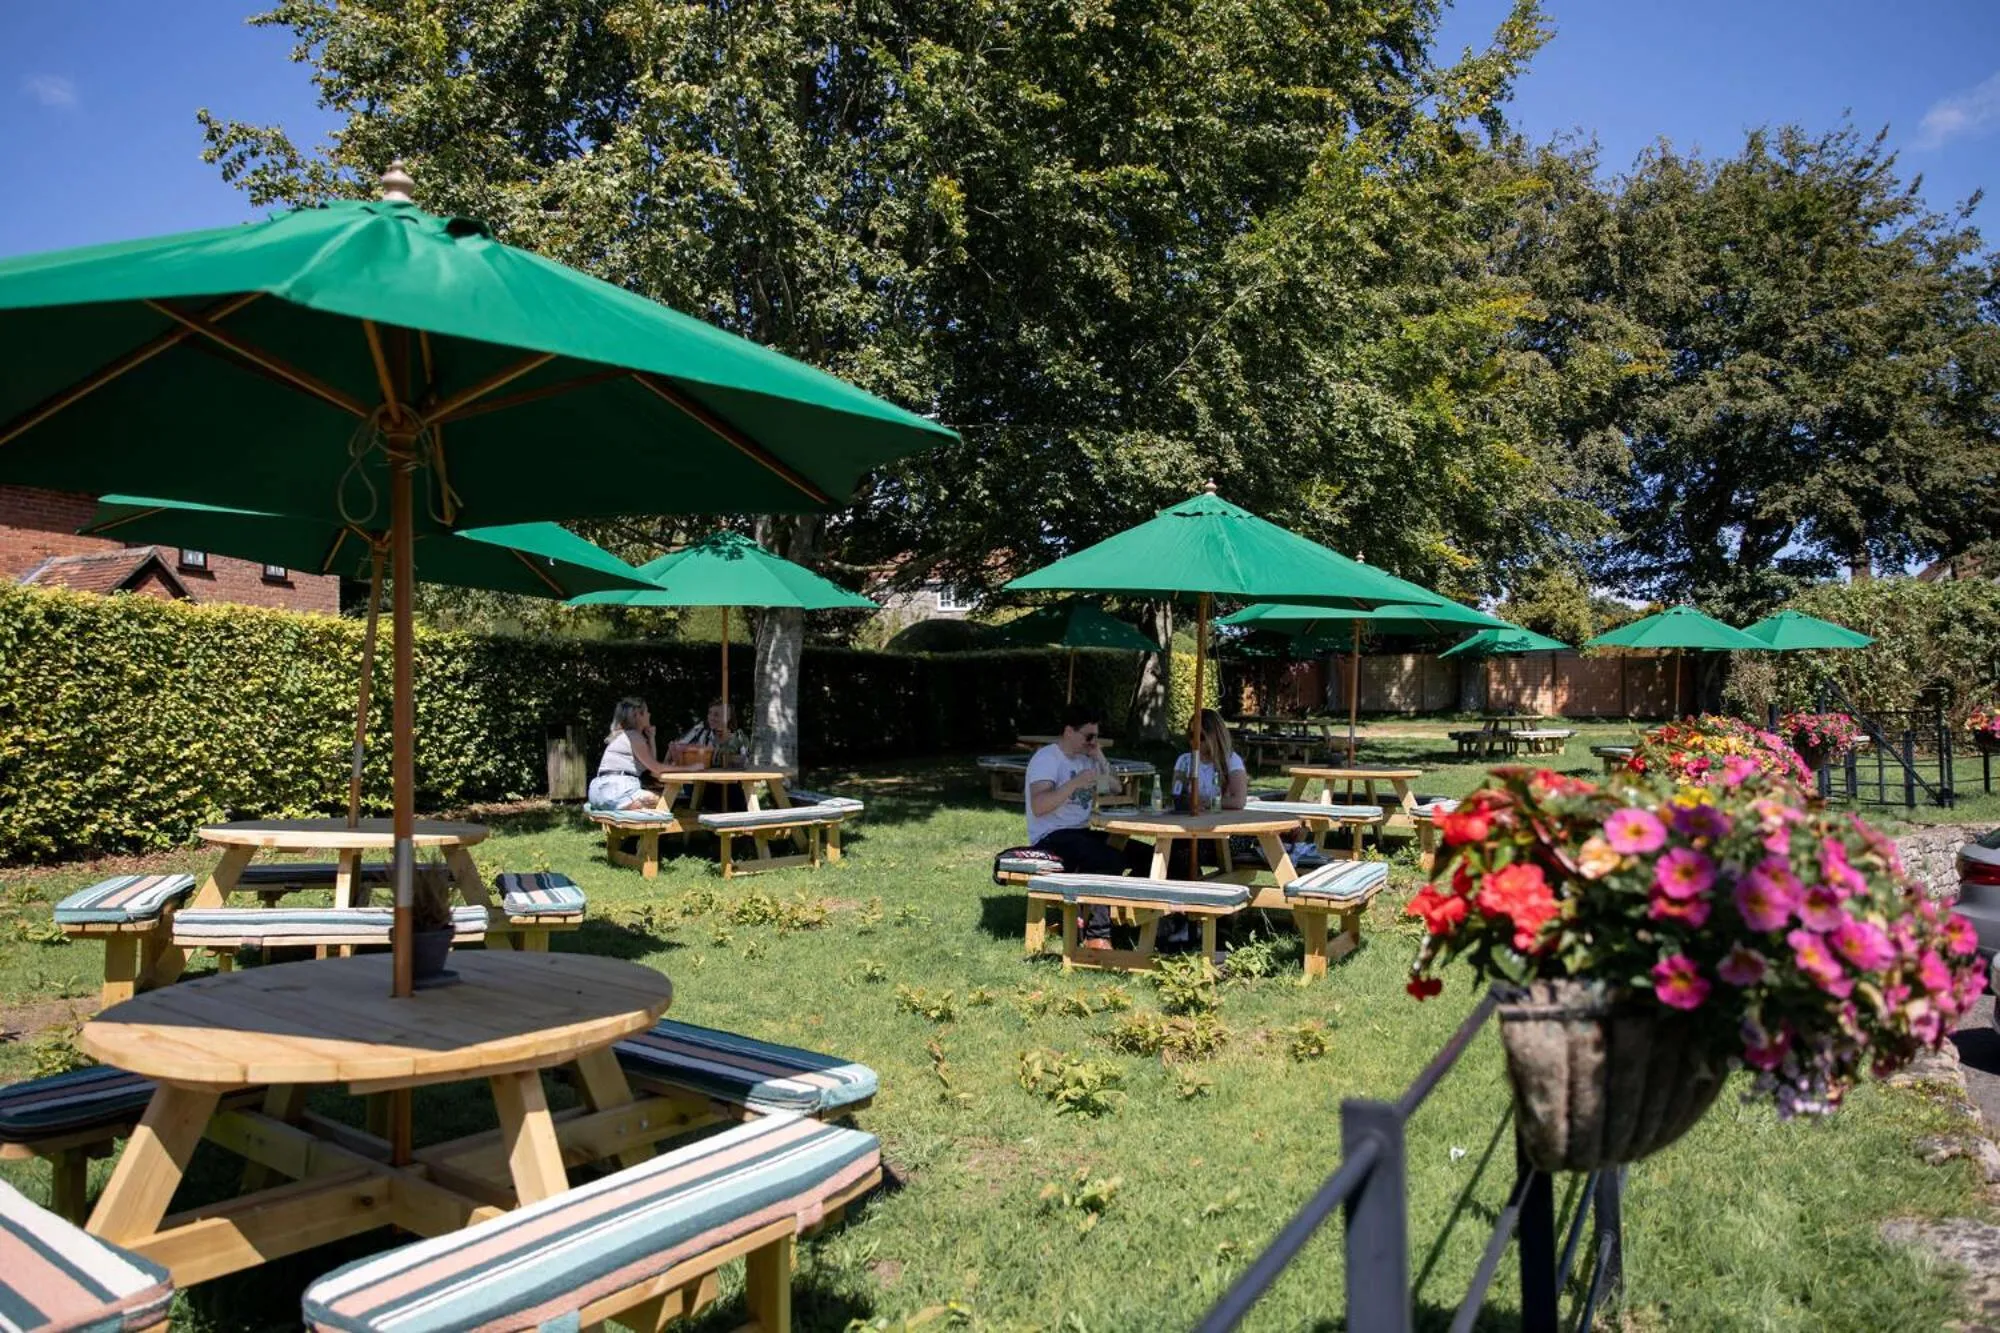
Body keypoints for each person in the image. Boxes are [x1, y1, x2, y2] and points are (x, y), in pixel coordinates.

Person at [1026, 703, 1153, 946]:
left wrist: (1099, 756)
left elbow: (1115, 788)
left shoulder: (1087, 758)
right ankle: (1097, 936)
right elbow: (1039, 805)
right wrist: (1073, 784)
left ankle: (1131, 914)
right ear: (1068, 732)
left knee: (1149, 856)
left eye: (1096, 736)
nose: (1092, 742)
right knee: (1107, 858)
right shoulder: (1047, 759)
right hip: (1052, 836)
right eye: (1088, 736)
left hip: (1082, 832)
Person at [587, 698, 690, 809]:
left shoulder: (624, 735)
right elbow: (656, 768)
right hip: (616, 790)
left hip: (599, 792)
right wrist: (690, 768)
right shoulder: (634, 737)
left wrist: (651, 738)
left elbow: (650, 766)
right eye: (646, 712)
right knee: (664, 803)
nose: (649, 714)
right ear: (638, 715)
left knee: (665, 802)